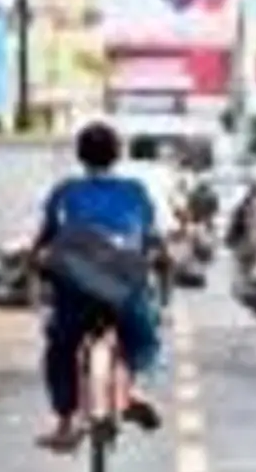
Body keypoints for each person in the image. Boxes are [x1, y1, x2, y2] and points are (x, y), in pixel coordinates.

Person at [31, 121, 164, 450]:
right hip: (123, 286)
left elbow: (47, 239)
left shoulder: (65, 193)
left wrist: (35, 263)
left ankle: (65, 421)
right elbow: (149, 238)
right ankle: (129, 390)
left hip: (76, 286)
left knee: (60, 347)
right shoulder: (135, 191)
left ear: (80, 155)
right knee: (143, 336)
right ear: (117, 155)